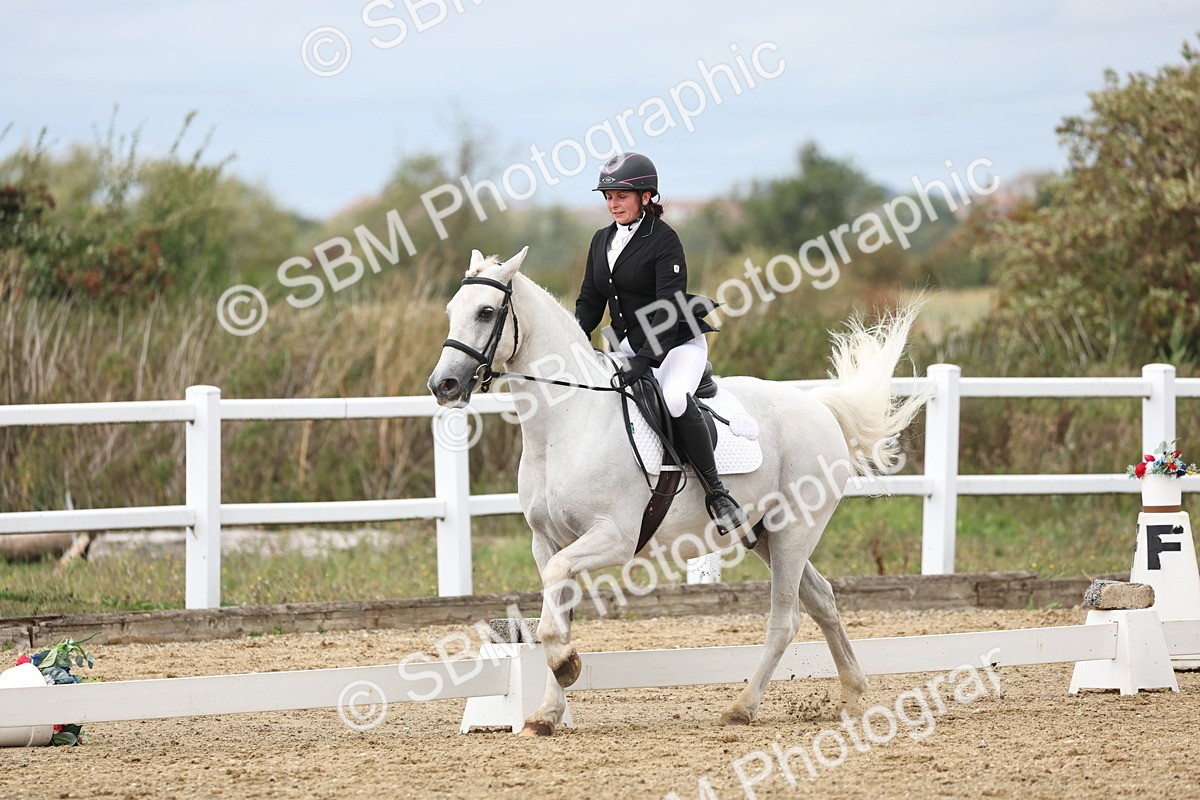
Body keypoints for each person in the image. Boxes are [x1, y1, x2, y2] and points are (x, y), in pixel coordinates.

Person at [574, 152, 749, 534]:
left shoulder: (664, 240)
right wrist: (573, 340)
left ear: (646, 196)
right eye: (607, 196)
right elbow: (590, 300)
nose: (612, 203)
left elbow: (669, 306)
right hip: (623, 345)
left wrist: (646, 358)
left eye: (621, 195)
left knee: (672, 399)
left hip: (674, 345)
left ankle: (717, 493)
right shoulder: (601, 240)